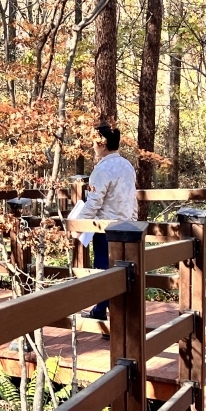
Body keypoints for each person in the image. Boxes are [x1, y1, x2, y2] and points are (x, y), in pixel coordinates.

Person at [77, 124, 138, 322]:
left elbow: (94, 201)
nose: (92, 146)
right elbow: (132, 198)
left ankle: (102, 311)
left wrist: (79, 224)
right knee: (123, 270)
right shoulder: (127, 165)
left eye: (94, 142)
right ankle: (112, 313)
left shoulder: (102, 169)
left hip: (106, 228)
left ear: (102, 144)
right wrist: (133, 221)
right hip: (126, 226)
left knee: (104, 268)